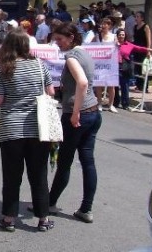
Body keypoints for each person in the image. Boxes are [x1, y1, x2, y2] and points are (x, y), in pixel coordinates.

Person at [0, 28, 55, 232]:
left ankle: (9, 219)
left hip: (11, 129)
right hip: (39, 128)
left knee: (12, 176)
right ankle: (43, 219)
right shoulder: (39, 65)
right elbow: (50, 91)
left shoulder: (4, 68)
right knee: (39, 175)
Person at [49, 22, 102, 224]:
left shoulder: (72, 57)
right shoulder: (85, 53)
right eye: (56, 40)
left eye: (60, 40)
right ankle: (86, 208)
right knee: (88, 161)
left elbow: (82, 82)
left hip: (78, 113)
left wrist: (75, 112)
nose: (58, 44)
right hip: (94, 112)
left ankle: (50, 202)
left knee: (65, 162)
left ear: (71, 37)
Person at [115, 28, 152, 110]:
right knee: (115, 86)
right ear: (117, 36)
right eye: (119, 35)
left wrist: (150, 50)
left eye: (123, 35)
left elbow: (140, 48)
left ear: (125, 36)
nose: (121, 36)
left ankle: (125, 104)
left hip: (125, 67)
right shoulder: (114, 44)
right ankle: (115, 102)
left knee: (125, 86)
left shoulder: (129, 45)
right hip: (114, 67)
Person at [94, 18, 117, 112]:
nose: (103, 26)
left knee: (111, 85)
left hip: (110, 63)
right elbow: (91, 47)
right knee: (99, 84)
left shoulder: (113, 36)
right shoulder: (97, 36)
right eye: (102, 24)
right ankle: (99, 103)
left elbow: (116, 47)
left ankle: (111, 105)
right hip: (100, 63)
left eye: (105, 24)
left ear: (109, 26)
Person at [132, 11, 152, 91]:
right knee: (137, 68)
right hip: (136, 50)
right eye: (135, 17)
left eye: (138, 17)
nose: (136, 18)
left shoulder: (146, 27)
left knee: (143, 68)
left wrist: (148, 50)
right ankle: (138, 85)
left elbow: (148, 39)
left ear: (142, 18)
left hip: (143, 50)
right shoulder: (135, 27)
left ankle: (144, 86)